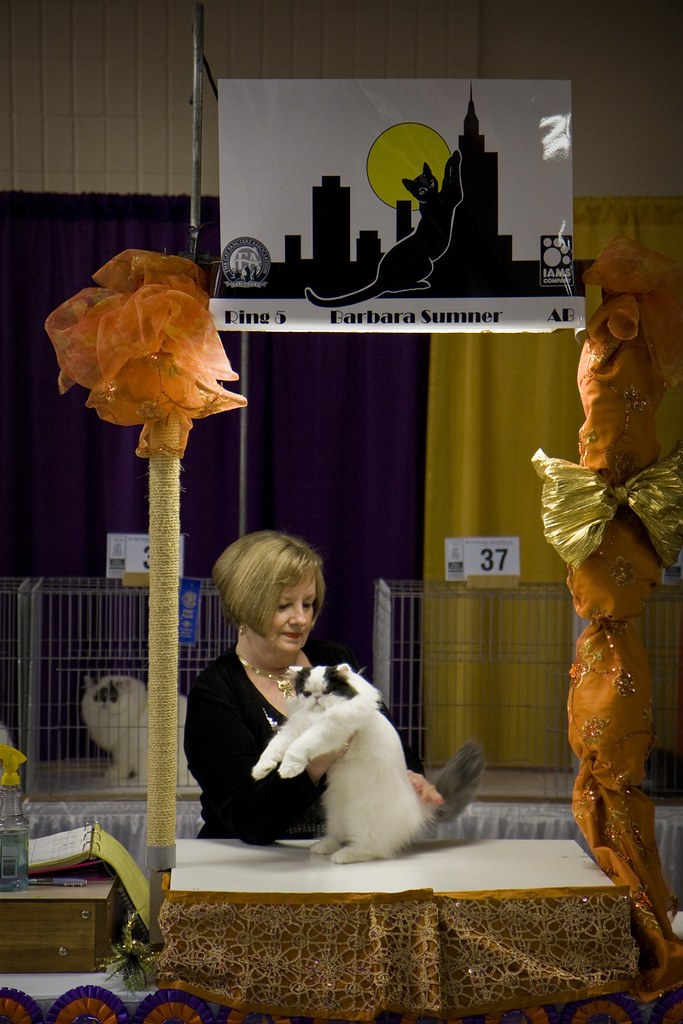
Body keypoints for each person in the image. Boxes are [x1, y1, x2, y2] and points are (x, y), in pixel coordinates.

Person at [184, 529, 442, 844]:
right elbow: (250, 822)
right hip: (249, 866)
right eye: (283, 606)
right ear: (244, 607)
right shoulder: (215, 694)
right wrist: (318, 757)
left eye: (308, 604)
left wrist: (410, 776)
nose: (302, 619)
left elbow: (387, 736)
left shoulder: (333, 659)